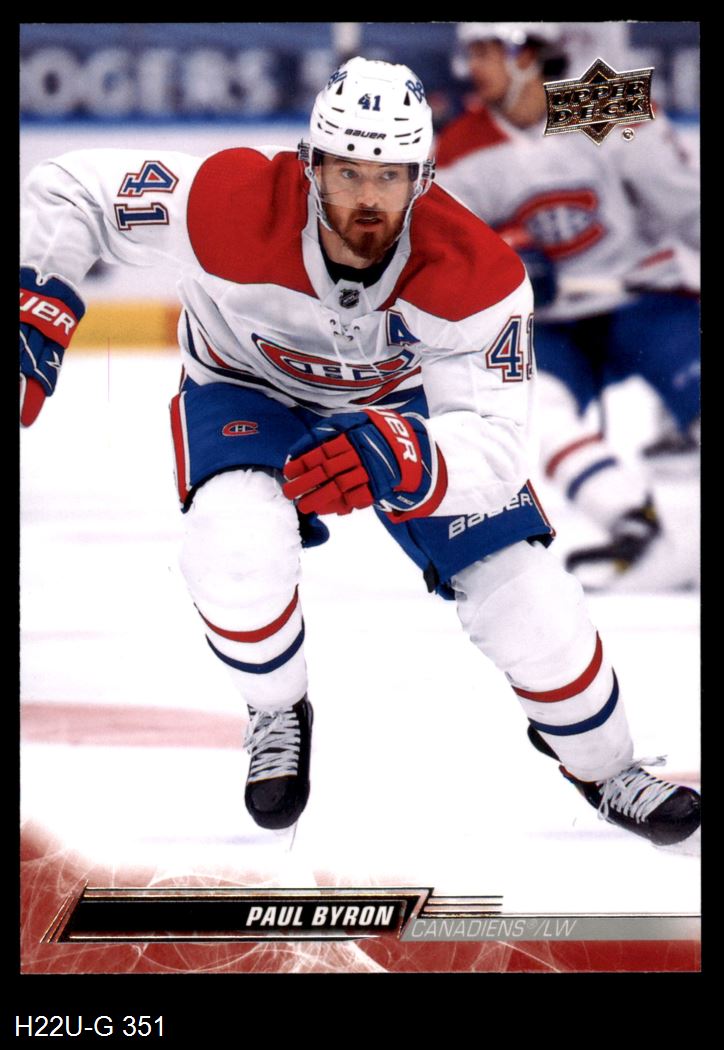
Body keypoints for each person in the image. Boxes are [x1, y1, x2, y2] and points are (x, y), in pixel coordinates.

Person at [20, 56, 699, 845]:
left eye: (390, 177)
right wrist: (39, 304)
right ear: (310, 166)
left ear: (423, 178)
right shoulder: (231, 199)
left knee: (527, 598)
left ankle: (607, 767)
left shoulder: (477, 273)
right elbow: (71, 188)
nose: (369, 200)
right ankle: (277, 711)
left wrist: (402, 454)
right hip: (245, 388)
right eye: (348, 173)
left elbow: (495, 447)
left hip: (404, 410)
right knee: (233, 541)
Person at [437, 23, 701, 590]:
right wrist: (506, 263)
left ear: (526, 53)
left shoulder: (606, 103)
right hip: (552, 323)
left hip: (645, 299)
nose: (473, 67)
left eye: (485, 52)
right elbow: (446, 255)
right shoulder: (460, 143)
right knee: (525, 410)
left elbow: (690, 209)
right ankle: (637, 525)